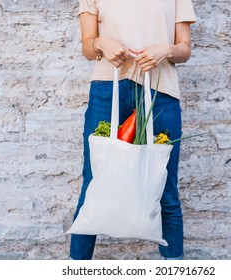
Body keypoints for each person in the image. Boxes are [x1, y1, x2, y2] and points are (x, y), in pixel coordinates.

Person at [69, 0, 196, 260]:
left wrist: (166, 50)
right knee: (93, 184)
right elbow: (87, 46)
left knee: (165, 189)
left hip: (161, 90)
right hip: (108, 88)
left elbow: (184, 49)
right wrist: (100, 43)